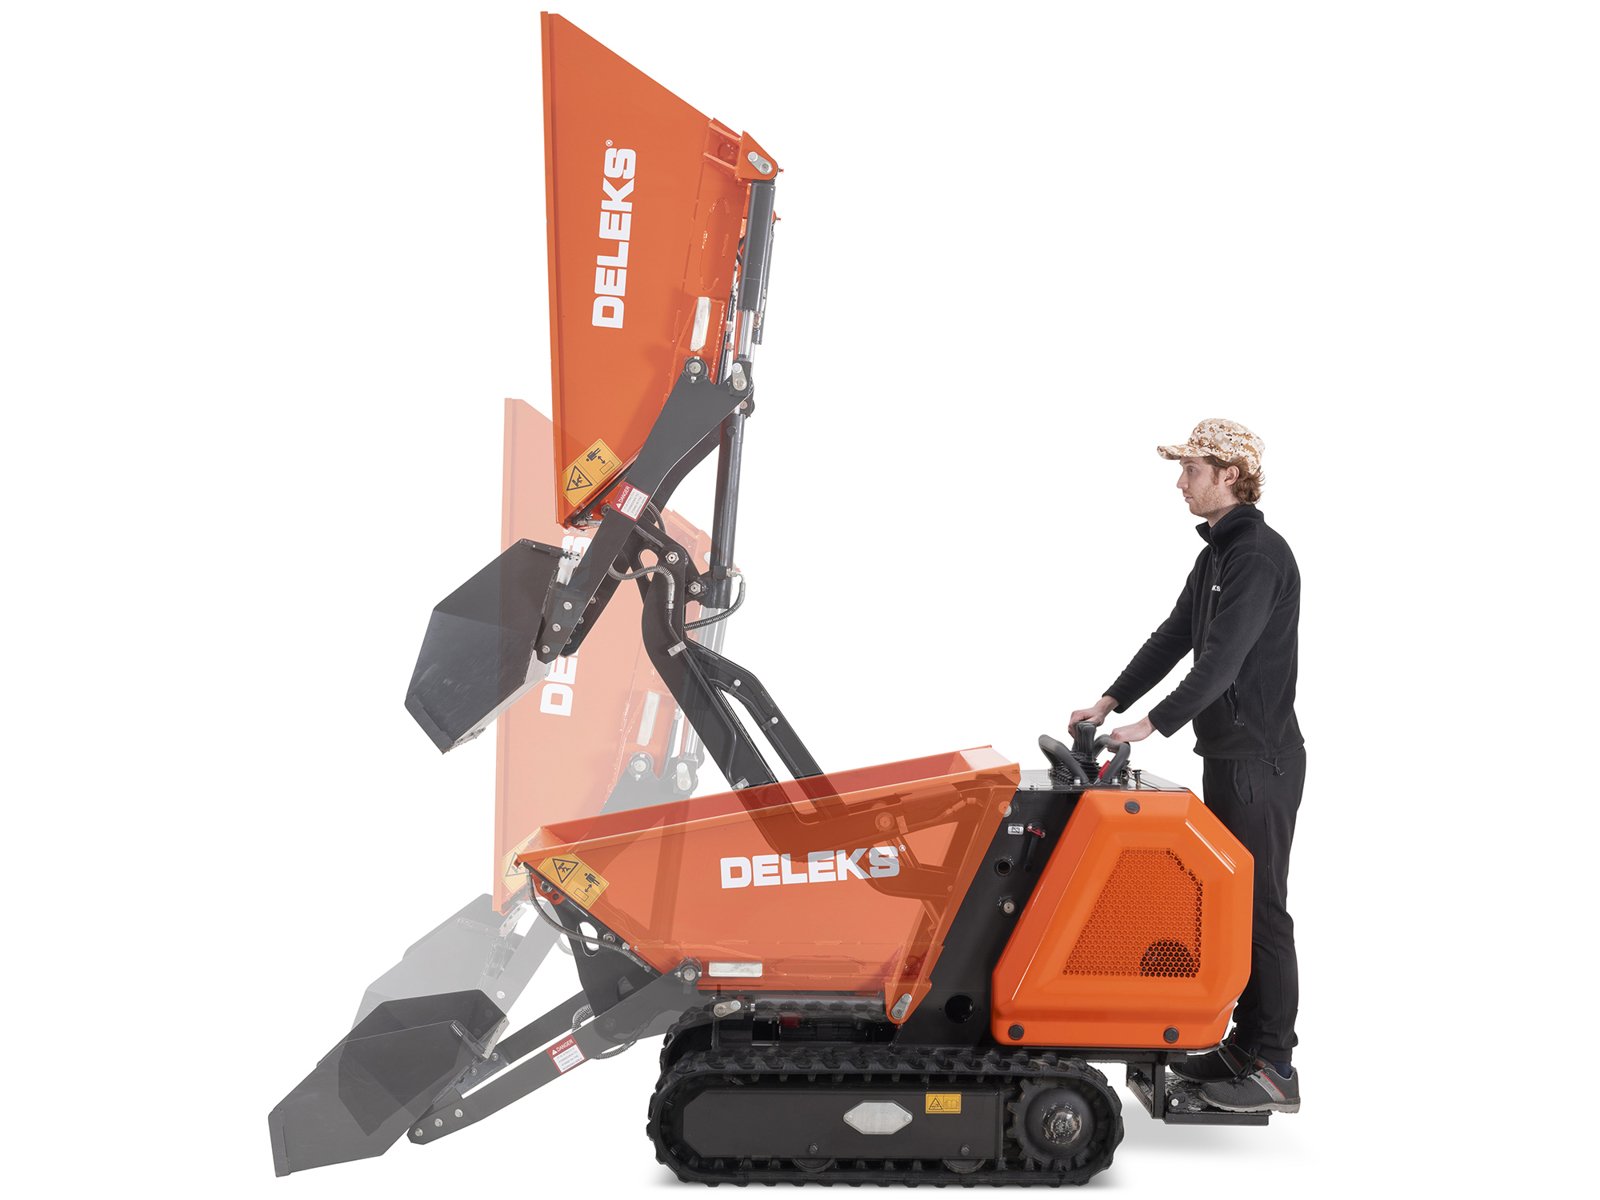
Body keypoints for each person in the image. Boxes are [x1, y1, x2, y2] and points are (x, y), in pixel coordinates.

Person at [1070, 418, 1304, 1114]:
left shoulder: (1257, 555)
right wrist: (1110, 700)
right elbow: (1175, 635)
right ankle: (1244, 1046)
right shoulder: (1218, 556)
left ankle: (1275, 1065)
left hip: (1260, 762)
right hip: (1230, 756)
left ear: (1231, 476)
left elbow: (1223, 660)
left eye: (1192, 470)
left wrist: (1151, 724)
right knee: (1233, 904)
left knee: (1261, 908)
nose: (1180, 483)